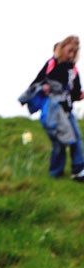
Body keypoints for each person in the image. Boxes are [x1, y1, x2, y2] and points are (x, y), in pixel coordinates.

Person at [28, 36, 84, 181]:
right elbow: (35, 84)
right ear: (62, 49)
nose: (71, 55)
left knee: (76, 138)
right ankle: (55, 173)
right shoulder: (51, 64)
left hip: (67, 110)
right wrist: (43, 87)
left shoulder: (73, 70)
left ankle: (78, 171)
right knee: (59, 143)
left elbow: (75, 91)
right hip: (54, 111)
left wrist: (79, 95)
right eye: (69, 51)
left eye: (75, 52)